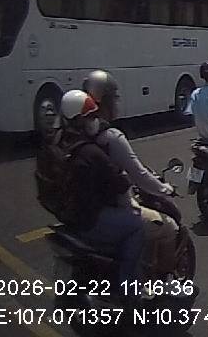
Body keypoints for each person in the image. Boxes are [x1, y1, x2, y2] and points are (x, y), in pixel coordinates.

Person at [80, 71, 181, 279]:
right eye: (114, 98)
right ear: (106, 101)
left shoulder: (76, 132)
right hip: (110, 209)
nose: (117, 103)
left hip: (81, 208)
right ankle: (149, 285)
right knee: (169, 227)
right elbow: (140, 175)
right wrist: (165, 189)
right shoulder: (111, 137)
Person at [56, 90, 150, 286]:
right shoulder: (91, 151)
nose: (94, 120)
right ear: (78, 120)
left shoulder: (61, 143)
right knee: (138, 225)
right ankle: (129, 286)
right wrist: (124, 178)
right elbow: (120, 183)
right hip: (90, 219)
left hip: (69, 214)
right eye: (90, 116)